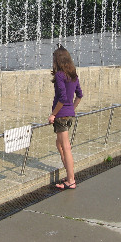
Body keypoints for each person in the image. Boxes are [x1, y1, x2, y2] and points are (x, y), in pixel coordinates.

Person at [48, 45, 83, 190]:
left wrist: (53, 114)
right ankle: (69, 174)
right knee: (59, 144)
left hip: (61, 116)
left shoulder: (60, 75)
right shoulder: (73, 75)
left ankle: (71, 180)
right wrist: (71, 109)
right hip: (68, 115)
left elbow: (62, 97)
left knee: (66, 147)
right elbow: (79, 95)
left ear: (58, 60)